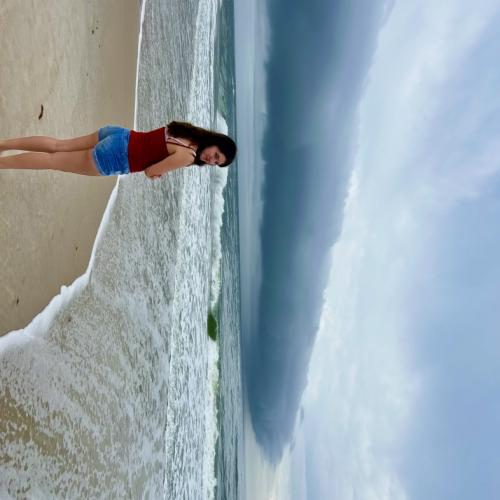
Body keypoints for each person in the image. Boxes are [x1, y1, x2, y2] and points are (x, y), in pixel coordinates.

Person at [0, 121, 237, 179]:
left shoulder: (188, 132)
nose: (212, 160)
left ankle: (4, 145)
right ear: (215, 142)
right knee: (52, 161)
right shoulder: (187, 156)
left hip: (119, 134)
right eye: (216, 155)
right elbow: (150, 171)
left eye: (216, 163)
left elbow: (154, 145)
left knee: (58, 145)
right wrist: (155, 174)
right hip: (115, 157)